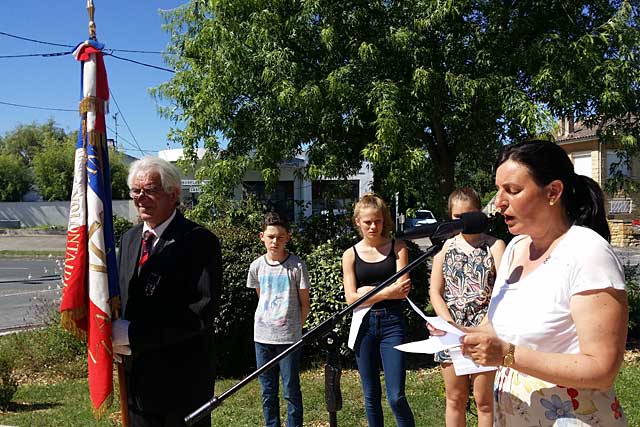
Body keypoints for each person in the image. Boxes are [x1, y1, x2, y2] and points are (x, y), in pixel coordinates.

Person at [432, 140, 628, 426]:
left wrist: (507, 355)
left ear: (553, 192)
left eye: (512, 190)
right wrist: (457, 333)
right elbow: (496, 325)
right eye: (498, 190)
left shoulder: (588, 253)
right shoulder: (516, 248)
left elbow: (602, 368)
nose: (498, 202)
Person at [112, 156, 223, 427]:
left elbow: (200, 312)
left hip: (182, 385)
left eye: (149, 191)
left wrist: (131, 334)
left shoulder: (199, 242)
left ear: (173, 194)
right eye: (135, 191)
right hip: (137, 383)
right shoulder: (129, 239)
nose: (140, 198)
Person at [429, 187, 505, 427]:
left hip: (485, 329)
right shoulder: (443, 250)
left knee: (484, 401)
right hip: (452, 332)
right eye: (457, 217)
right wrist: (448, 323)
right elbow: (435, 292)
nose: (463, 222)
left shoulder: (494, 246)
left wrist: (486, 324)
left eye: (469, 215)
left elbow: (504, 290)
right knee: (455, 398)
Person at [342, 192, 415, 427]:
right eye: (367, 222)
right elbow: (351, 299)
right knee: (370, 395)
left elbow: (402, 289)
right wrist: (384, 291)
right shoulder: (350, 255)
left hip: (393, 324)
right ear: (358, 222)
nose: (373, 226)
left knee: (396, 396)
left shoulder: (398, 247)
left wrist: (368, 292)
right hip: (364, 326)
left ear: (384, 220)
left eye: (378, 221)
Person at [247, 212, 311, 427]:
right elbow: (261, 295)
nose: (275, 241)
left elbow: (305, 304)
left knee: (291, 390)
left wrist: (295, 330)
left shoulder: (297, 266)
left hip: (289, 339)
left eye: (280, 237)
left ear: (288, 238)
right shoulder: (256, 266)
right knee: (267, 390)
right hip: (262, 338)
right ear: (262, 237)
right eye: (271, 236)